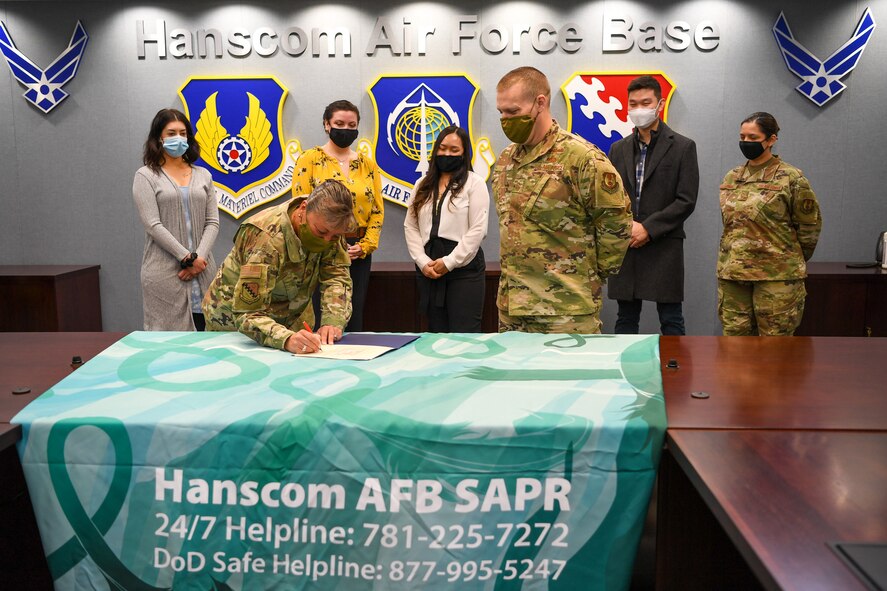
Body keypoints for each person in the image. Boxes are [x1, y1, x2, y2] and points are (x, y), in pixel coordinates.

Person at [493, 66, 632, 334]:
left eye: (513, 112)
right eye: (501, 112)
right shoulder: (506, 160)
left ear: (540, 103)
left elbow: (617, 225)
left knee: (572, 377)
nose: (505, 119)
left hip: (566, 311)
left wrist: (589, 275)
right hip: (513, 310)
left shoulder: (581, 158)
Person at [202, 180, 356, 354]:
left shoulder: (331, 224)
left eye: (334, 236)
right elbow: (247, 313)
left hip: (292, 318)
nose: (326, 240)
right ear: (303, 209)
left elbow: (336, 277)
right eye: (320, 232)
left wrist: (333, 321)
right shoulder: (267, 238)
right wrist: (286, 339)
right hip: (234, 323)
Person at [607, 75, 699, 335]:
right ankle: (623, 370)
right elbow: (611, 197)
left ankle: (676, 373)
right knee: (625, 317)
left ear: (659, 104)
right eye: (633, 103)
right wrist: (628, 228)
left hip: (664, 244)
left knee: (670, 318)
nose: (639, 109)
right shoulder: (618, 148)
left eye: (645, 102)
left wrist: (648, 228)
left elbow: (686, 199)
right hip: (627, 245)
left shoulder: (682, 147)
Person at [717, 112, 822, 336]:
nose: (745, 143)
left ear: (771, 140)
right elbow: (731, 225)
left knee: (775, 347)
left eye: (753, 138)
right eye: (742, 137)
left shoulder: (791, 178)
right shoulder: (732, 177)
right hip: (734, 274)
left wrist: (787, 258)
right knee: (734, 345)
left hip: (777, 276)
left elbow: (809, 228)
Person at [292, 100, 384, 332]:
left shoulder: (367, 164)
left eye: (351, 125)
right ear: (326, 124)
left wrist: (365, 245)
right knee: (320, 314)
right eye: (339, 123)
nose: (346, 129)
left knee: (353, 313)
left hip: (357, 252)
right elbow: (300, 206)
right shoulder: (309, 159)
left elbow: (376, 211)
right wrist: (319, 239)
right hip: (319, 246)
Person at [133, 108, 219, 331]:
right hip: (165, 276)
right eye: (171, 133)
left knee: (209, 340)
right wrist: (187, 258)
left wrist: (198, 260)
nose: (178, 138)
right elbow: (152, 224)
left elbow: (212, 222)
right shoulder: (146, 176)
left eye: (183, 133)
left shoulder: (203, 175)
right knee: (169, 348)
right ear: (158, 138)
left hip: (204, 271)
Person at [404, 126, 489, 332]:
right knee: (436, 336)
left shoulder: (474, 183)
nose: (446, 154)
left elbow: (478, 230)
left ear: (463, 153)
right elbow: (410, 225)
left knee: (465, 335)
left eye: (454, 150)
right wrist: (423, 263)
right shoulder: (422, 184)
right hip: (430, 269)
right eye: (442, 148)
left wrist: (449, 262)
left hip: (464, 270)